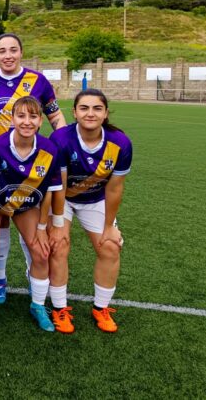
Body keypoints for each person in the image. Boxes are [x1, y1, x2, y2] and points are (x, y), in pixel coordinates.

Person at [0, 32, 66, 305]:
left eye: (13, 49)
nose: (8, 55)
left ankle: (34, 279)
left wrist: (61, 148)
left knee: (35, 232)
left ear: (21, 52)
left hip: (29, 167)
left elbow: (56, 116)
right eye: (2, 50)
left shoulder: (37, 81)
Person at [48, 89, 133, 334]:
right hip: (62, 199)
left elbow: (115, 189)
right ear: (74, 112)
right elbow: (59, 187)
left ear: (106, 113)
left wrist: (109, 227)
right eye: (84, 108)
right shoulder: (61, 139)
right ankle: (60, 308)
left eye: (97, 108)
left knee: (110, 246)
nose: (90, 113)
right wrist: (56, 223)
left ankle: (101, 307)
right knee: (59, 244)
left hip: (95, 199)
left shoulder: (120, 143)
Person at [0, 96, 63, 334]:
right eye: (21, 115)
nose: (27, 122)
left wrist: (42, 227)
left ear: (41, 121)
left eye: (32, 116)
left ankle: (38, 306)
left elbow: (51, 191)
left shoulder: (49, 148)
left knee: (41, 252)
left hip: (26, 204)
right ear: (12, 118)